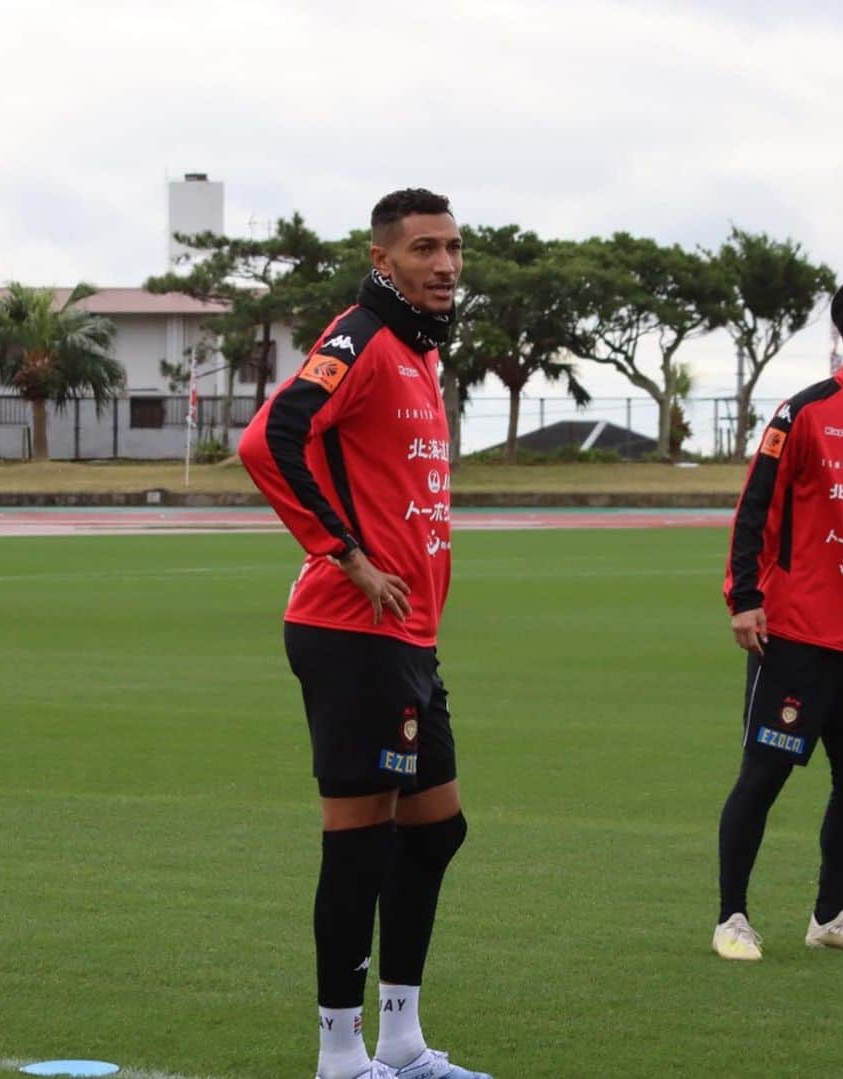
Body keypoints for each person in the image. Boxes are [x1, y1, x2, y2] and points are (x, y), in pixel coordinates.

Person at [238, 188, 491, 1079]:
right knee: (360, 840)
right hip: (351, 630)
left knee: (435, 830)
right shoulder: (361, 336)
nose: (446, 264)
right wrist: (343, 550)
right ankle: (340, 1058)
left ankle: (404, 1042)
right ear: (383, 259)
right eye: (426, 248)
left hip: (407, 639)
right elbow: (271, 439)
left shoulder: (420, 351)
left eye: (455, 248)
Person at [713, 271, 843, 961]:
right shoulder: (800, 412)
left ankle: (829, 915)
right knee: (764, 775)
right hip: (796, 635)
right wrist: (745, 596)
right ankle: (732, 917)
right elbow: (754, 509)